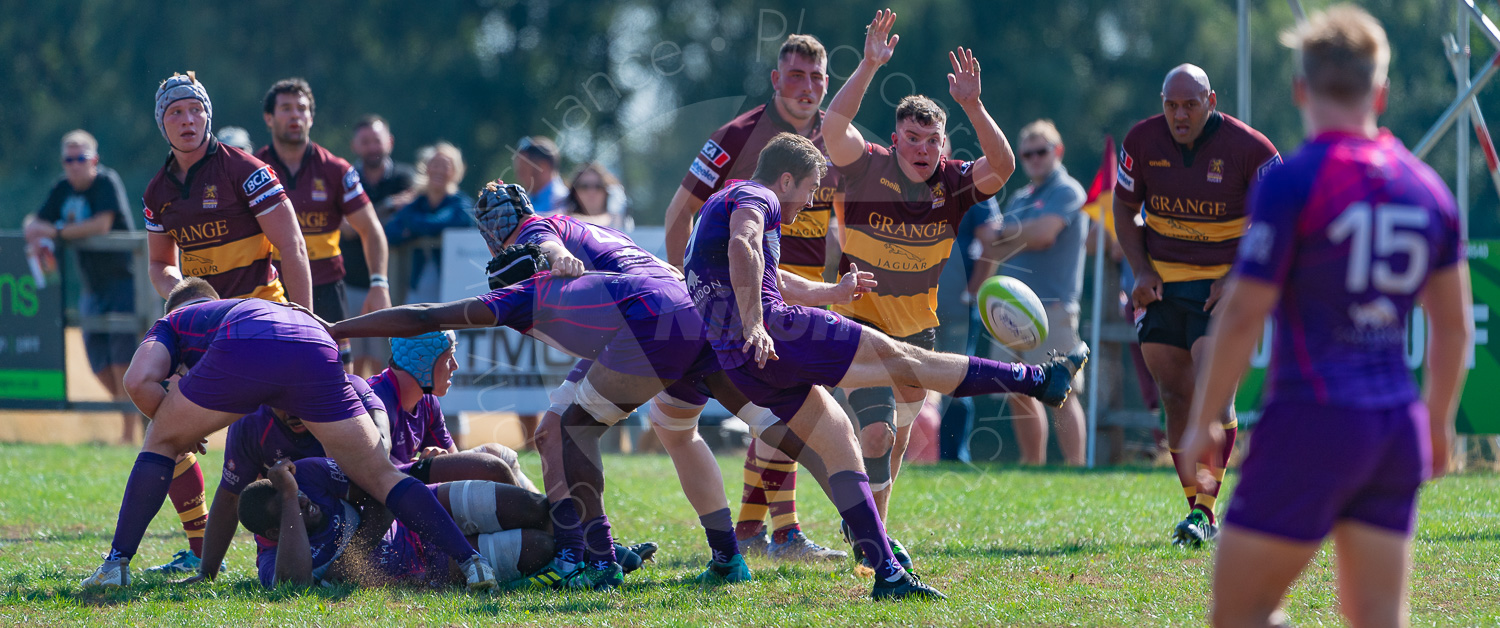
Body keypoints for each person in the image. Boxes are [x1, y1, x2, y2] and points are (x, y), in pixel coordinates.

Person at [683, 131, 1085, 600]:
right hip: (781, 334)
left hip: (745, 363)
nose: (810, 201)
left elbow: (765, 269)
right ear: (786, 178)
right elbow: (744, 247)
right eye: (810, 189)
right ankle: (1041, 378)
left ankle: (887, 573)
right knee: (910, 361)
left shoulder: (722, 200)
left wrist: (829, 294)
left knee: (840, 447)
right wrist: (757, 322)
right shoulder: (759, 196)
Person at [1177, 7, 1470, 626]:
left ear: (1300, 90)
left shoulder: (1295, 180)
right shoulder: (1428, 190)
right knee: (1378, 618)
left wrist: (1204, 417)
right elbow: (1452, 326)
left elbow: (1240, 316)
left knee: (1240, 611)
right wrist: (1439, 423)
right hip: (1393, 428)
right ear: (1382, 93)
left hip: (1311, 418)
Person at [465, 182, 867, 587]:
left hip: (646, 324)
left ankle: (583, 556)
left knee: (563, 430)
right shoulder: (576, 224)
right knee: (720, 428)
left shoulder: (535, 233)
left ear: (490, 236)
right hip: (683, 311)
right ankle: (853, 531)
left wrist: (561, 259)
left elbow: (553, 252)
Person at [80, 277, 498, 591]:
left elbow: (137, 382)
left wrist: (178, 429)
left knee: (159, 438)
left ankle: (116, 563)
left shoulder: (172, 323)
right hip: (314, 342)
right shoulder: (267, 308)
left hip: (247, 343)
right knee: (384, 476)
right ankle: (472, 560)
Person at [822, 10, 1014, 568]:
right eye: (911, 137)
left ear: (942, 143)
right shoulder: (866, 169)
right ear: (896, 139)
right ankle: (872, 540)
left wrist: (974, 107)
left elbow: (1001, 167)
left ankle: (870, 529)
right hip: (861, 325)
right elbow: (834, 128)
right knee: (878, 433)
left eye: (931, 139)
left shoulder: (953, 183)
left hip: (919, 331)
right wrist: (867, 66)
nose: (921, 148)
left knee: (899, 437)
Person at [661, 33, 847, 562]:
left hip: (799, 290)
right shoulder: (737, 135)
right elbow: (681, 212)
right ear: (775, 80)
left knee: (784, 408)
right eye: (795, 76)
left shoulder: (832, 139)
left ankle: (757, 530)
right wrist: (687, 287)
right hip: (745, 297)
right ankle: (774, 533)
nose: (807, 88)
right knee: (781, 406)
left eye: (817, 79)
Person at [134, 72, 316, 576]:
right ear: (162, 124)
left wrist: (307, 321)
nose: (187, 120)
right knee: (162, 425)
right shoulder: (157, 190)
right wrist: (180, 290)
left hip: (264, 325)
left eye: (194, 109)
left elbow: (294, 248)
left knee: (303, 430)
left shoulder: (246, 170)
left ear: (207, 114)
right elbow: (158, 262)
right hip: (208, 330)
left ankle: (329, 532)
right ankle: (197, 548)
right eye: (175, 113)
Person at [1111, 61, 1281, 547]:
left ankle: (1205, 510)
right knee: (1175, 394)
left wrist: (1238, 274)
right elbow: (1124, 207)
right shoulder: (1141, 142)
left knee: (1212, 385)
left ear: (1211, 101)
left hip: (1224, 287)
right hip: (1163, 283)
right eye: (1171, 105)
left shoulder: (1253, 149)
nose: (1179, 114)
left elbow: (1281, 217)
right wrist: (1141, 268)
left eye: (1190, 104)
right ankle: (1198, 511)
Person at [237, 457, 551, 588]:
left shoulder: (306, 472)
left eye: (299, 493)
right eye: (292, 504)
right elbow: (294, 585)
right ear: (274, 532)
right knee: (541, 547)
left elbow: (381, 494)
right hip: (425, 564)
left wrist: (352, 559)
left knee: (532, 506)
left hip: (418, 512)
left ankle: (588, 553)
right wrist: (290, 497)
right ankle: (568, 557)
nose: (304, 499)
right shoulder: (273, 561)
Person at [971, 120, 1089, 466]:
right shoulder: (1022, 197)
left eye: (1042, 151)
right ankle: (1032, 465)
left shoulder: (1067, 190)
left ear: (1058, 151)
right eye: (1028, 153)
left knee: (1063, 391)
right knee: (1016, 389)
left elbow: (1044, 235)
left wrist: (1005, 233)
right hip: (1010, 310)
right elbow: (997, 248)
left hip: (1053, 306)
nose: (1035, 159)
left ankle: (1076, 467)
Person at [256, 78, 390, 364]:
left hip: (327, 289)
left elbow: (371, 229)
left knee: (339, 379)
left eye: (302, 108)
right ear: (268, 117)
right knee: (271, 383)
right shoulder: (252, 170)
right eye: (286, 108)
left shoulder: (335, 170)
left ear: (311, 117)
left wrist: (379, 284)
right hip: (271, 291)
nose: (295, 115)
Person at [23, 130, 139, 445]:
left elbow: (101, 224)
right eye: (68, 160)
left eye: (80, 159)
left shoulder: (106, 182)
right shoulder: (62, 188)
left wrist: (55, 231)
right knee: (97, 361)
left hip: (124, 282)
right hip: (91, 288)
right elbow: (36, 220)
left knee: (121, 359)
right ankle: (139, 414)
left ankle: (128, 434)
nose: (74, 166)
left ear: (94, 160)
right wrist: (33, 227)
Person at [346, 114, 417, 376]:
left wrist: (360, 218)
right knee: (350, 361)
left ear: (390, 142)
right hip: (349, 282)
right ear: (355, 145)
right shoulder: (346, 178)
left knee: (384, 362)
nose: (372, 147)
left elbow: (414, 210)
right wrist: (387, 206)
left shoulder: (407, 178)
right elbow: (344, 228)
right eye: (365, 142)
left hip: (391, 284)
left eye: (376, 140)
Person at [384, 142, 472, 304]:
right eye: (435, 164)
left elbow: (438, 223)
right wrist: (418, 227)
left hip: (455, 284)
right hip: (419, 283)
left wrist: (412, 229)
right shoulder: (418, 202)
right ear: (426, 168)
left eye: (445, 166)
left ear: (455, 171)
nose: (439, 170)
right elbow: (390, 231)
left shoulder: (460, 203)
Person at [558, 162, 630, 231]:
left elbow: (614, 223)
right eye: (584, 186)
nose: (591, 192)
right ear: (575, 192)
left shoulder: (618, 216)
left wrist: (569, 220)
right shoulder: (564, 214)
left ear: (606, 191)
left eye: (598, 186)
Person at [512, 136, 569, 216]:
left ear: (543, 166)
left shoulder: (564, 203)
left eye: (523, 171)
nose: (519, 178)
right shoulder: (528, 200)